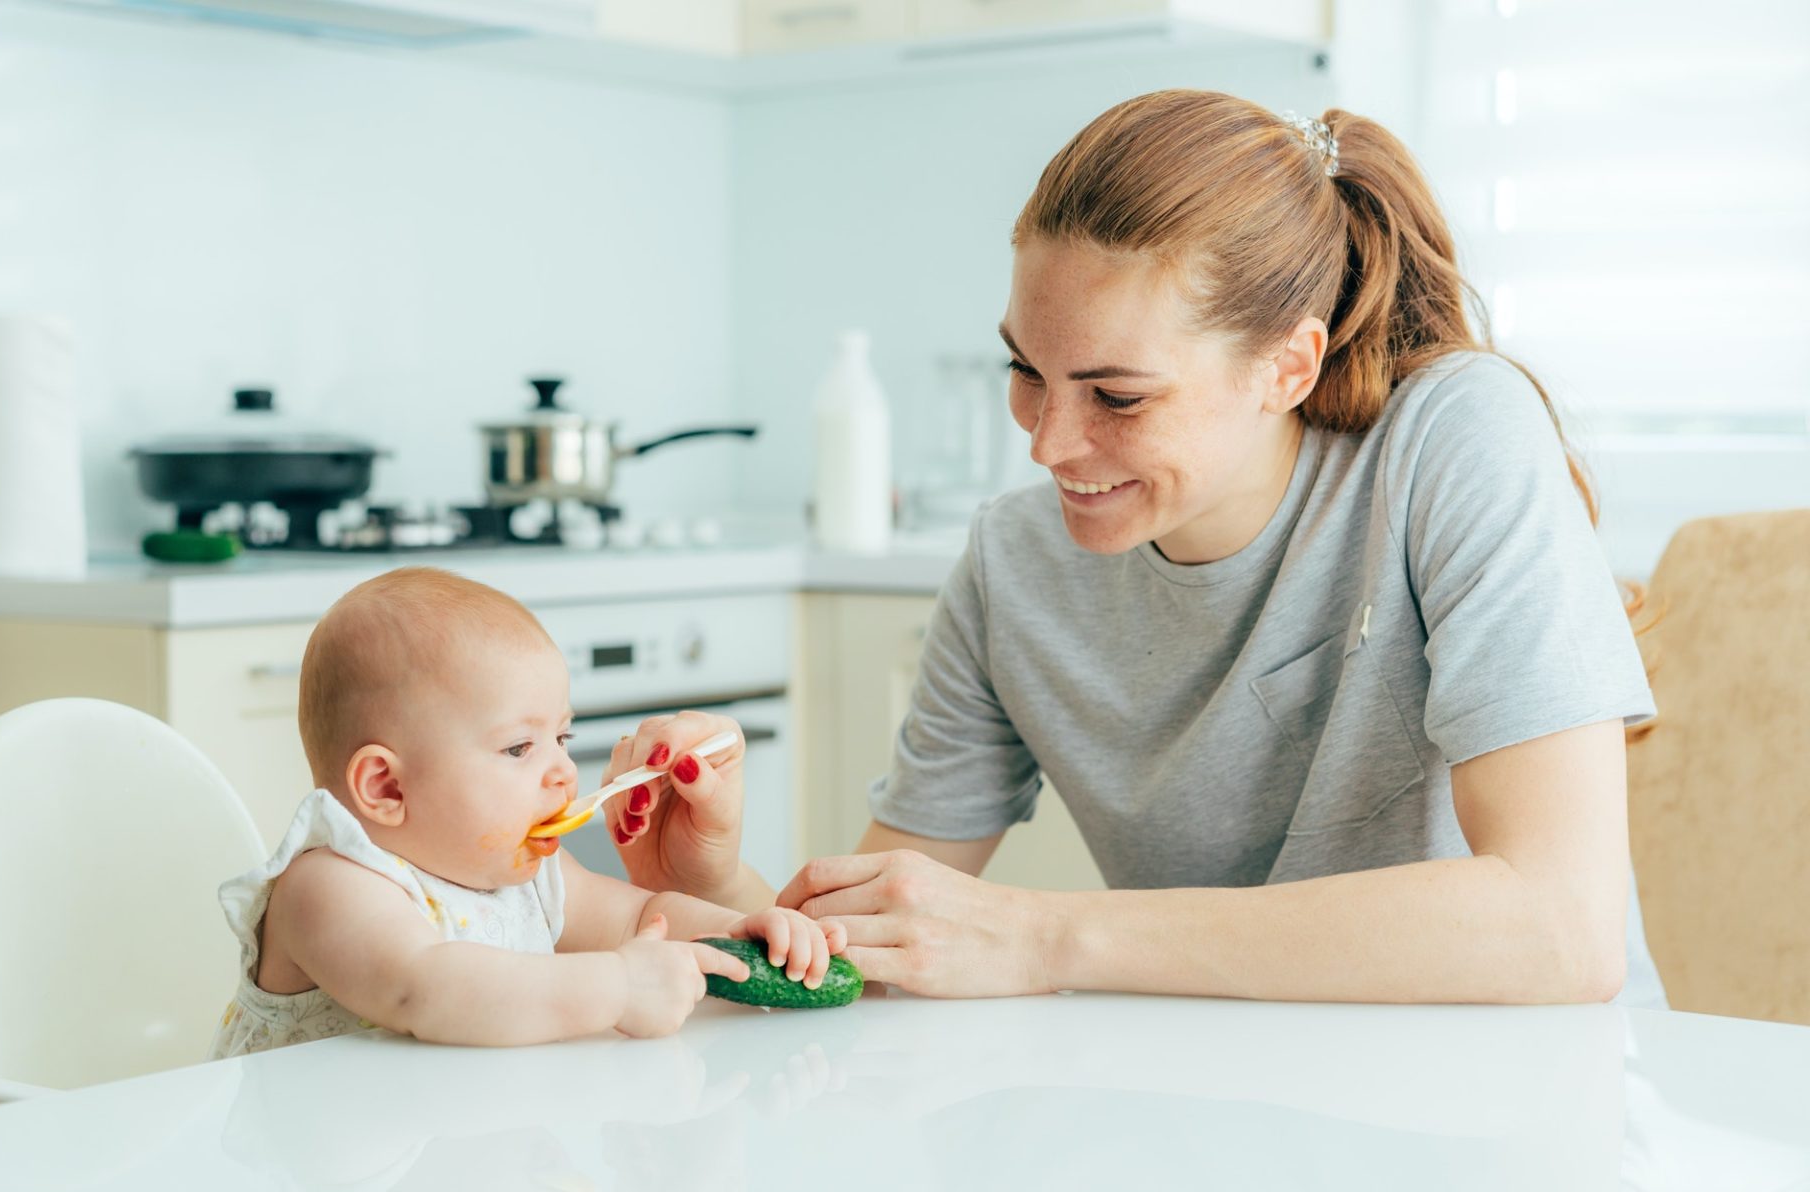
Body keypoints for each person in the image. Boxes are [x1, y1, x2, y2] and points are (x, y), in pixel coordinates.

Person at [659, 89, 1667, 1007]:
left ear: (1288, 365)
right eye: (1026, 370)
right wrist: (712, 883)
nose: (1048, 443)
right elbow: (873, 949)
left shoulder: (1451, 437)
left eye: (1117, 396)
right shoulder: (1015, 564)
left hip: (1508, 1118)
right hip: (1208, 1120)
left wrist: (1047, 935)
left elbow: (1559, 930)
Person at [210, 567, 843, 1058]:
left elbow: (643, 918)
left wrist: (742, 933)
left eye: (561, 740)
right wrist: (617, 988)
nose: (563, 772)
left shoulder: (526, 875)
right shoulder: (329, 885)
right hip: (310, 1189)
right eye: (519, 747)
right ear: (387, 788)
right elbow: (428, 989)